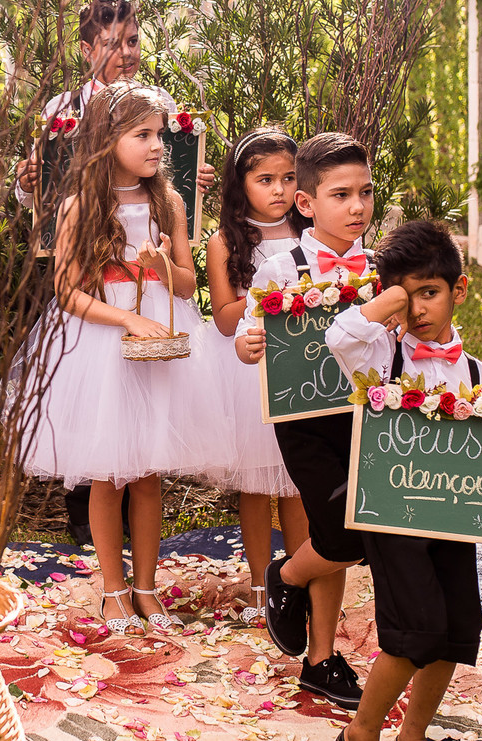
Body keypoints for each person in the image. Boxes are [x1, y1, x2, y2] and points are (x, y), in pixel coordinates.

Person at [324, 219, 482, 741]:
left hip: (449, 521)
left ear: (458, 290)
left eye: (429, 292)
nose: (418, 308)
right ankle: (360, 737)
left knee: (454, 631)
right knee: (412, 631)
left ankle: (410, 738)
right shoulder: (378, 354)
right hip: (392, 516)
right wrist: (386, 300)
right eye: (406, 294)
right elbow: (338, 337)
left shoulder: (478, 376)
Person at [14, 82, 222, 636]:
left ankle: (147, 588)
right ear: (108, 141)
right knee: (109, 474)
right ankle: (113, 589)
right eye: (143, 135)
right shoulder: (81, 205)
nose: (158, 146)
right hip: (104, 343)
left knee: (148, 472)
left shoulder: (169, 203)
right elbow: (67, 293)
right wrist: (128, 317)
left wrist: (158, 268)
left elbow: (185, 287)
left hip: (159, 344)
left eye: (160, 134)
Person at [234, 131, 375, 709]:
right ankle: (288, 577)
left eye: (365, 192)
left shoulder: (383, 267)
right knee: (342, 532)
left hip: (371, 420)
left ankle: (319, 657)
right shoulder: (280, 268)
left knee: (336, 532)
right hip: (306, 420)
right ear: (307, 203)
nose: (358, 206)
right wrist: (249, 343)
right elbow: (250, 337)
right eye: (341, 195)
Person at [205, 127, 310, 626]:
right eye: (265, 179)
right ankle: (256, 581)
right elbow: (225, 318)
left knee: (298, 483)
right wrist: (266, 295)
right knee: (256, 483)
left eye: (288, 178)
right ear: (239, 183)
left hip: (303, 369)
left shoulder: (310, 238)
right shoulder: (225, 241)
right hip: (250, 369)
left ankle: (302, 578)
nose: (278, 190)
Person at [13, 0, 215, 209]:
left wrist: (195, 177)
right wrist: (27, 183)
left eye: (132, 41)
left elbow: (173, 176)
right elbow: (36, 198)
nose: (126, 52)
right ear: (86, 50)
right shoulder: (62, 107)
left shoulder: (160, 100)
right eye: (112, 44)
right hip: (84, 233)